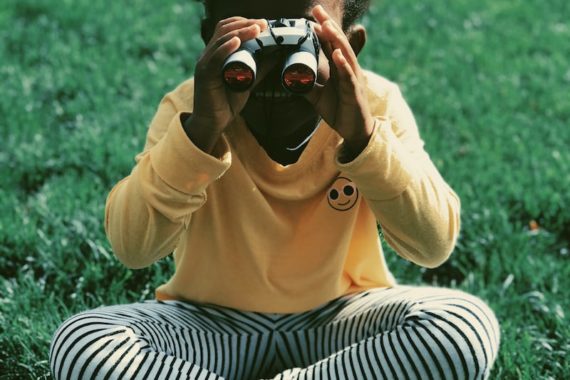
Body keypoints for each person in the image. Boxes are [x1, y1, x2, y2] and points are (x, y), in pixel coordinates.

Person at [49, 0, 500, 379]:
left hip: (340, 318)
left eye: (303, 44)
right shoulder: (190, 109)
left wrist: (363, 139)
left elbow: (432, 244)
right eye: (251, 45)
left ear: (351, 47)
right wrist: (201, 133)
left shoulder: (373, 106)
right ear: (211, 42)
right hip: (209, 322)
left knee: (462, 326)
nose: (273, 71)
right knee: (83, 343)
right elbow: (133, 247)